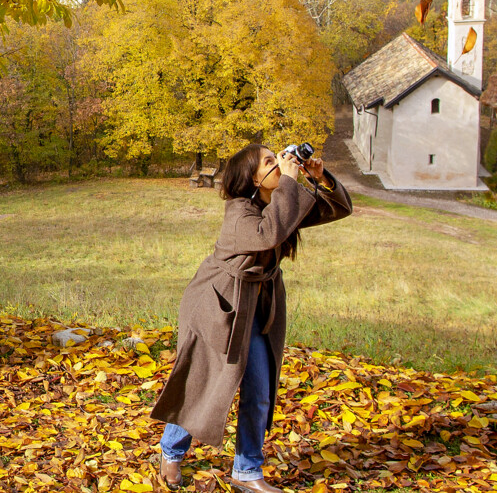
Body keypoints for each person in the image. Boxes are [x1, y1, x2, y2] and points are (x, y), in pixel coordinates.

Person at [150, 144, 353, 492]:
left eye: (279, 158)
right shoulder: (239, 213)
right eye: (270, 162)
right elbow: (268, 234)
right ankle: (171, 451)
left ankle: (247, 472)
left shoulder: (278, 205)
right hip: (218, 306)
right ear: (254, 179)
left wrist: (320, 179)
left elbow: (339, 208)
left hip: (257, 309)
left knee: (259, 390)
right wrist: (289, 182)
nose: (280, 165)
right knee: (204, 383)